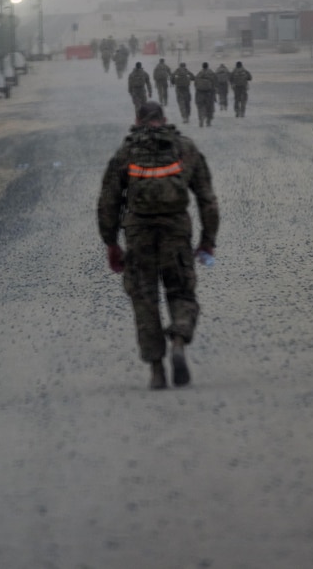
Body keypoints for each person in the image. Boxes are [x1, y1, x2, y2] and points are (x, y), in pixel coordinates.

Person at [97, 101, 219, 390]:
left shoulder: (126, 152)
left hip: (138, 235)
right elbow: (207, 199)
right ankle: (178, 339)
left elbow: (107, 202)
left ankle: (156, 370)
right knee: (181, 290)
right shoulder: (184, 147)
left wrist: (111, 243)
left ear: (137, 120)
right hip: (176, 231)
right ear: (164, 119)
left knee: (144, 299)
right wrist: (208, 240)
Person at [194, 62, 217, 127]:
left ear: (202, 66)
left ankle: (201, 118)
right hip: (209, 93)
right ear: (207, 66)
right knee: (209, 107)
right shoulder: (211, 73)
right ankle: (208, 121)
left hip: (200, 93)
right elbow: (215, 83)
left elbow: (195, 84)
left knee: (200, 107)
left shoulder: (199, 73)